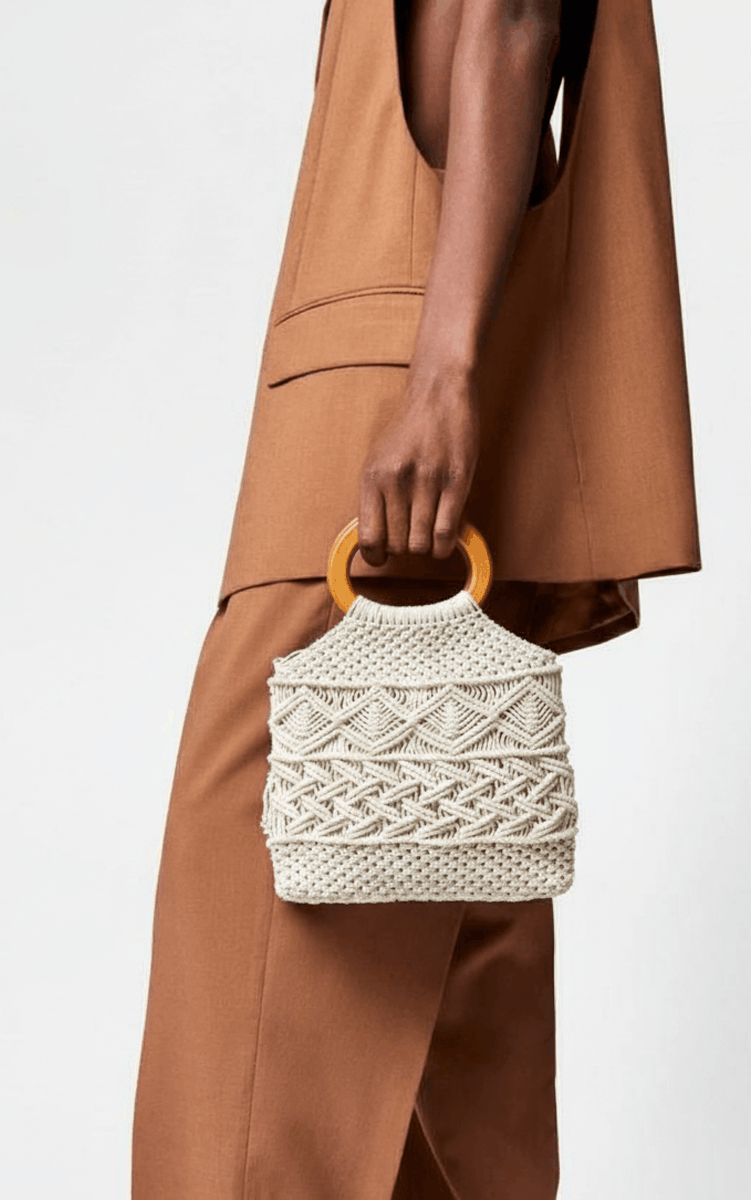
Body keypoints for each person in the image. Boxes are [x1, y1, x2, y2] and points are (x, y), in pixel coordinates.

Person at [131, 2, 701, 1197]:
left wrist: (440, 375)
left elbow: (508, 15)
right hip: (409, 420)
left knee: (240, 1050)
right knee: (451, 1064)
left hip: (374, 459)